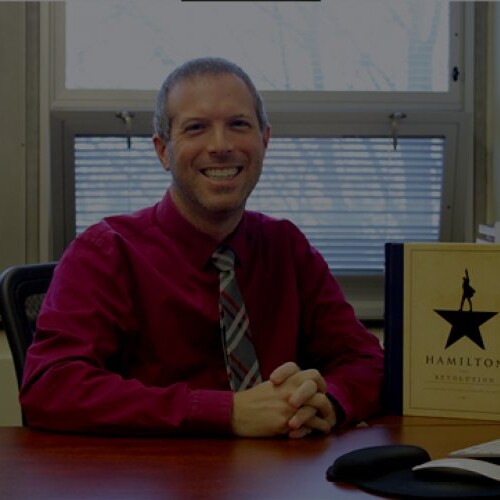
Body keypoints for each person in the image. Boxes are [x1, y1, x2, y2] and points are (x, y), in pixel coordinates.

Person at [20, 57, 384, 438]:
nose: (221, 146)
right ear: (163, 151)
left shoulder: (286, 246)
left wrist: (329, 400)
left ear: (264, 140)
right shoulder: (105, 251)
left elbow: (366, 360)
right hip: (154, 483)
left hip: (282, 477)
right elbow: (50, 386)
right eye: (196, 128)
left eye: (238, 125)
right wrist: (226, 412)